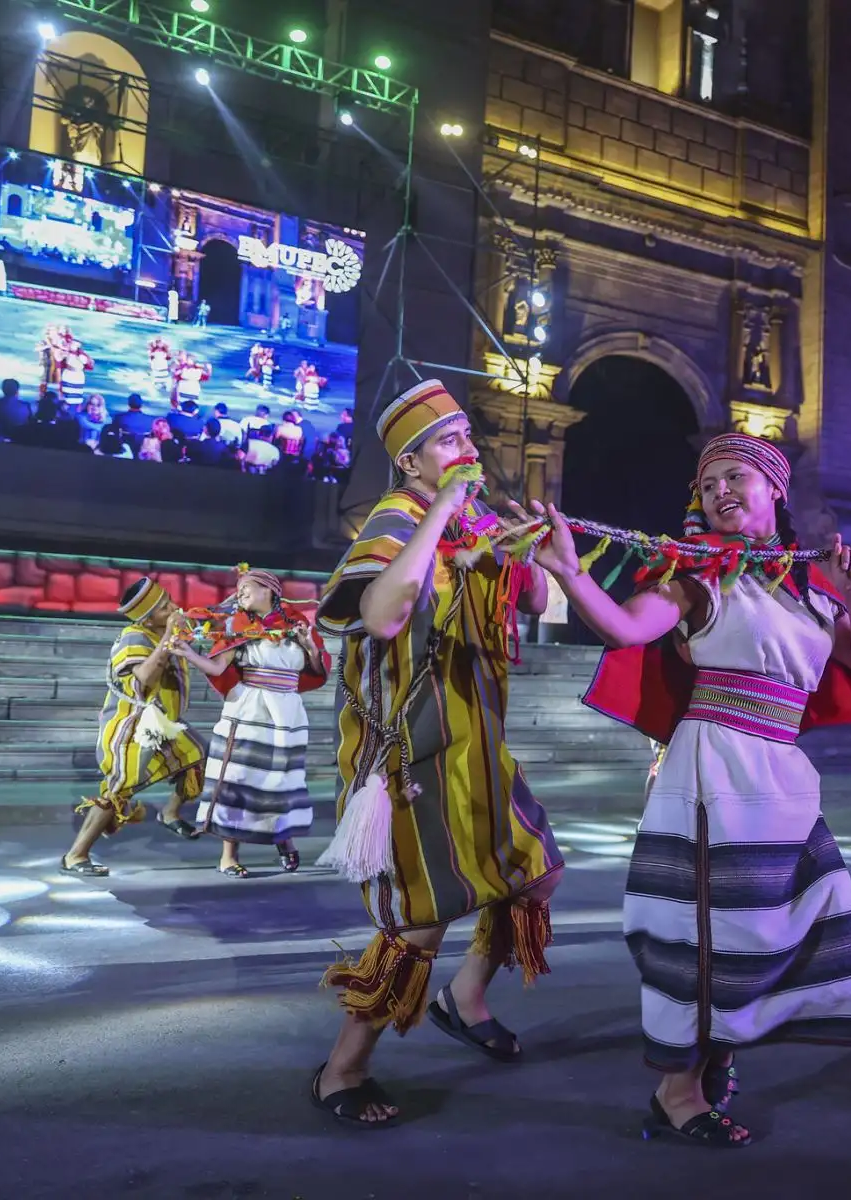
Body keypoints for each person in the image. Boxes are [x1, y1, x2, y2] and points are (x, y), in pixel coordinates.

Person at [523, 430, 851, 1148]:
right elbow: (626, 629)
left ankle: (717, 1052)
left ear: (775, 490)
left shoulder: (812, 584)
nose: (722, 490)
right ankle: (676, 1092)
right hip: (713, 768)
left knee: (780, 920)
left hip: (781, 771)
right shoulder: (695, 576)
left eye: (737, 477)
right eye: (710, 482)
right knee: (703, 930)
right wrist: (571, 575)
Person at [311, 379, 562, 1129]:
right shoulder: (398, 518)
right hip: (410, 757)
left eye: (467, 437)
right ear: (413, 464)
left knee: (535, 873)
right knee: (422, 920)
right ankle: (340, 1069)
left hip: (477, 745)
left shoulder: (470, 526)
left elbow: (540, 605)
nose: (470, 450)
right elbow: (382, 615)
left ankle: (466, 998)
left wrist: (535, 551)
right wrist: (444, 513)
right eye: (450, 442)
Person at [173, 566, 329, 877]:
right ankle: (228, 856)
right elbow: (218, 668)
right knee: (238, 778)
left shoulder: (297, 625)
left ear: (268, 590)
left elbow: (315, 668)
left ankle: (284, 839)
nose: (239, 591)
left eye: (246, 586)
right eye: (239, 587)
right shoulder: (237, 626)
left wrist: (311, 649)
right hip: (249, 710)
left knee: (281, 779)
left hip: (287, 713)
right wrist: (188, 653)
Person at [61, 578, 208, 876]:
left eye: (170, 600)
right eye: (164, 607)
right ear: (148, 617)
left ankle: (169, 814)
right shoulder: (134, 637)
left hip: (163, 724)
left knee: (196, 755)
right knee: (119, 788)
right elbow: (141, 684)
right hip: (132, 726)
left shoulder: (163, 632)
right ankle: (75, 855)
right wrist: (169, 638)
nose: (174, 607)